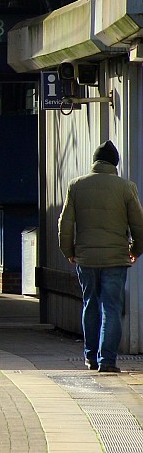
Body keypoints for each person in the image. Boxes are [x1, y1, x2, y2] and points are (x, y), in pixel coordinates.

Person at [58, 140, 143, 373]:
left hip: (85, 258)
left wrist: (69, 252)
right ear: (115, 164)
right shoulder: (126, 188)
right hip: (116, 258)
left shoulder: (76, 186)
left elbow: (65, 223)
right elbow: (139, 226)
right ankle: (107, 361)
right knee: (111, 308)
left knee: (90, 305)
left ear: (94, 161)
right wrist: (134, 251)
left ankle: (90, 357)